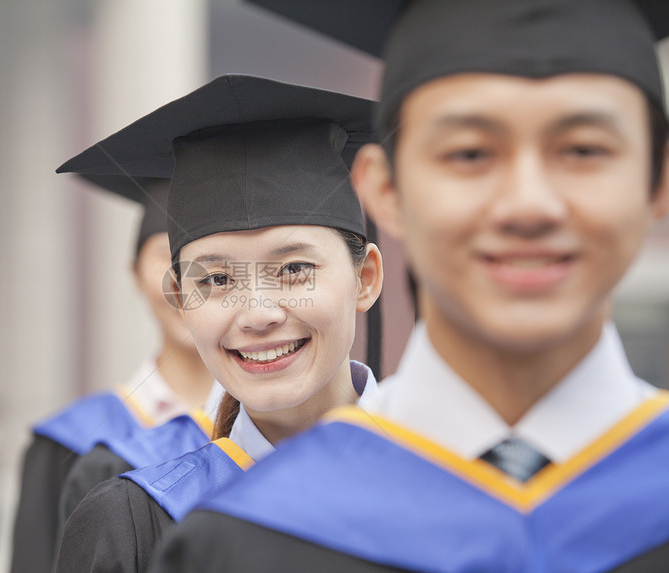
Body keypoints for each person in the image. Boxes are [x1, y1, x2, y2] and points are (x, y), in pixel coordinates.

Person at [148, 1, 669, 571]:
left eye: (583, 150)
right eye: (469, 153)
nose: (529, 205)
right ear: (386, 191)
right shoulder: (240, 540)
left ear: (656, 180)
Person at [52, 74, 383, 572]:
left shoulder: (468, 490)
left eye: (294, 270)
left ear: (366, 279)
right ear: (182, 300)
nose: (257, 314)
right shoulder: (134, 524)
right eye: (218, 279)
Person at [9, 176, 217, 573]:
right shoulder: (69, 442)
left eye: (211, 265)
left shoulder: (277, 435)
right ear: (134, 272)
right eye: (166, 256)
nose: (187, 283)